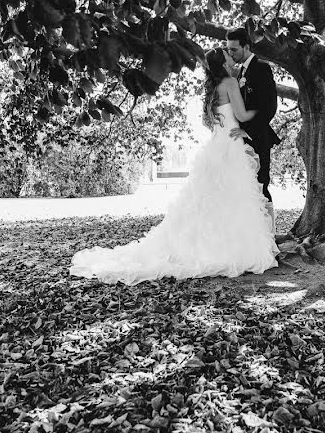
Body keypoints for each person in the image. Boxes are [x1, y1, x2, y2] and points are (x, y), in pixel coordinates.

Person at [69, 48, 278, 284]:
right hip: (231, 145)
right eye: (228, 56)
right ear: (223, 63)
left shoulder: (210, 90)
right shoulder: (230, 83)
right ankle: (235, 247)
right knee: (235, 196)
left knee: (213, 199)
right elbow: (241, 114)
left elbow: (207, 121)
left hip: (217, 145)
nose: (232, 58)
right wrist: (258, 111)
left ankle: (208, 246)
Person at [225, 28, 281, 233]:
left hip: (258, 139)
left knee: (261, 186)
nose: (231, 53)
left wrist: (248, 132)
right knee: (247, 189)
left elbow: (269, 107)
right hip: (243, 143)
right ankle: (254, 237)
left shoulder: (262, 68)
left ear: (246, 46)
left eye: (234, 49)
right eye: (228, 49)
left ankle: (270, 236)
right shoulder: (239, 72)